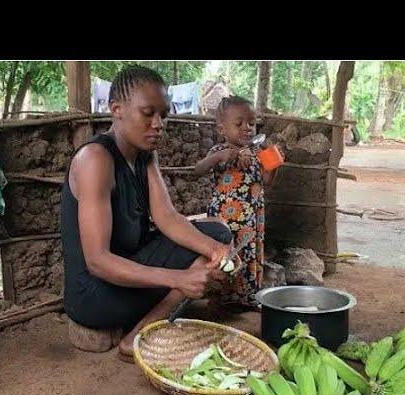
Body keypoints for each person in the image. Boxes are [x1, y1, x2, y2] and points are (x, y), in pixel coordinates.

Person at [61, 66, 233, 362]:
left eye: (163, 115)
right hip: (94, 295)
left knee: (216, 233)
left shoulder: (145, 155)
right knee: (194, 263)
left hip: (127, 273)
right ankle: (137, 340)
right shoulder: (95, 159)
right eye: (148, 113)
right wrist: (178, 279)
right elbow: (98, 261)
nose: (159, 124)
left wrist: (218, 250)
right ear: (116, 109)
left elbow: (167, 217)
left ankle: (141, 329)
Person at [194, 96, 279, 310]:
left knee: (249, 255)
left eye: (251, 123)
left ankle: (248, 297)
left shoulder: (258, 154)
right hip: (225, 220)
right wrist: (220, 157)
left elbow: (267, 182)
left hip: (251, 218)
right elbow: (198, 170)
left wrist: (274, 163)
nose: (247, 128)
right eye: (239, 123)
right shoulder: (218, 152)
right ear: (222, 129)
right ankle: (221, 297)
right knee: (224, 256)